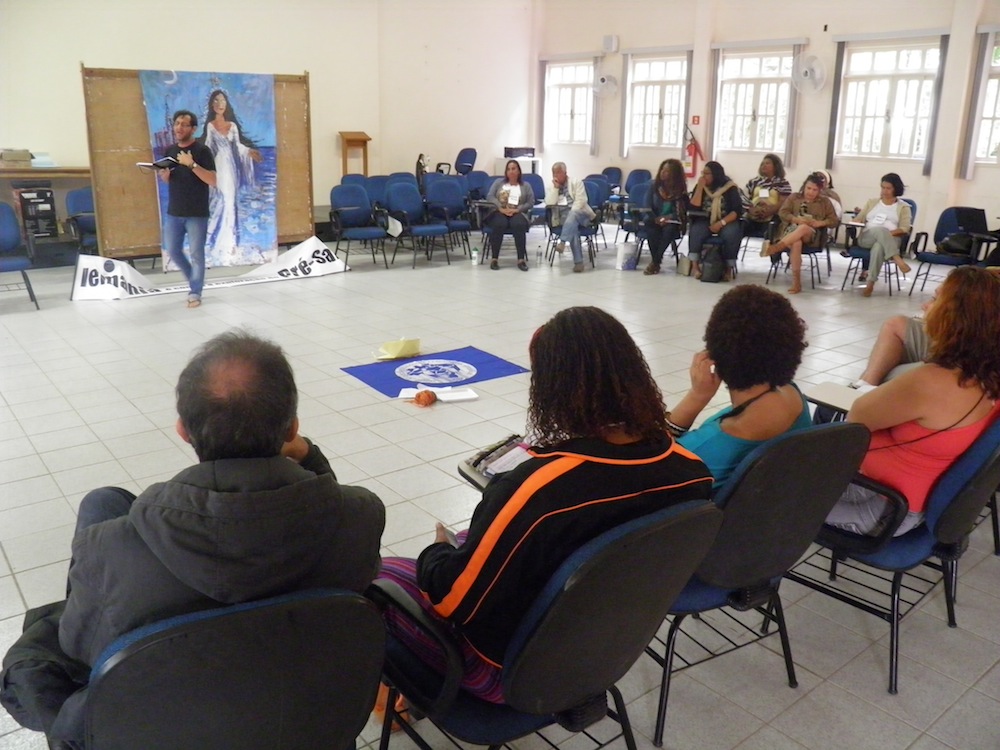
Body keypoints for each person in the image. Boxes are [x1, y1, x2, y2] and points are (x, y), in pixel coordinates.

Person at [0, 330, 386, 748]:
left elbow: (79, 650)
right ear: (291, 428)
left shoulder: (108, 546)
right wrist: (310, 457)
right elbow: (331, 510)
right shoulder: (363, 515)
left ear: (183, 430)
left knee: (100, 513)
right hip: (295, 711)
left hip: (169, 723)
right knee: (105, 502)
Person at [377, 306, 712, 703]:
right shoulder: (693, 474)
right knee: (478, 538)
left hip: (511, 673)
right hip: (607, 652)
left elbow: (452, 601)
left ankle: (391, 694)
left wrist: (436, 553)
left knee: (379, 575)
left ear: (552, 389)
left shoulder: (539, 489)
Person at [826, 267, 1000, 536]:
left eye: (935, 299)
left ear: (956, 316)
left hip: (883, 506)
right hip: (900, 496)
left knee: (768, 495)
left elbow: (857, 419)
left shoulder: (934, 380)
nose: (925, 306)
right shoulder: (986, 373)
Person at [667, 285, 813, 487]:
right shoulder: (793, 396)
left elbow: (646, 459)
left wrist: (697, 396)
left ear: (715, 349)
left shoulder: (708, 445)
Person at [160, 109, 216, 308]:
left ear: (193, 129)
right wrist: (165, 177)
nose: (179, 128)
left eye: (184, 125)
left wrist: (191, 164)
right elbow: (171, 179)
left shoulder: (202, 151)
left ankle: (195, 292)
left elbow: (212, 180)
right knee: (173, 250)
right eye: (176, 124)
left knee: (196, 254)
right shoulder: (169, 151)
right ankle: (194, 280)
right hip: (174, 212)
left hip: (196, 213)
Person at [199, 89, 263, 262]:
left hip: (230, 168)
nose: (219, 104)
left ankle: (229, 243)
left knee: (229, 202)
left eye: (222, 100)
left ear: (226, 104)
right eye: (216, 100)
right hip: (218, 165)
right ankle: (212, 241)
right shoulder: (210, 126)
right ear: (212, 104)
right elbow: (208, 147)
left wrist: (249, 152)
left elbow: (237, 146)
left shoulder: (232, 126)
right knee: (218, 201)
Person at [761, 174, 839, 294]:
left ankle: (776, 248)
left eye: (814, 190)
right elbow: (783, 212)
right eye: (809, 188)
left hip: (812, 235)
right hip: (790, 231)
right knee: (796, 243)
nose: (811, 192)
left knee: (804, 227)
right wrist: (795, 219)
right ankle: (796, 283)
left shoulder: (825, 202)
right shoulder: (794, 197)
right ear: (804, 187)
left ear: (819, 191)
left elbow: (834, 221)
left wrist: (820, 223)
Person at [852, 172, 913, 298]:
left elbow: (905, 228)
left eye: (888, 188)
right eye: (883, 187)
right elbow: (859, 219)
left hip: (891, 239)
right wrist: (856, 219)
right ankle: (897, 259)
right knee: (879, 230)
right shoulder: (872, 202)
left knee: (879, 246)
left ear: (896, 189)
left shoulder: (904, 207)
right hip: (867, 237)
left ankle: (870, 283)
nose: (884, 191)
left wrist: (886, 234)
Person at [687, 161, 743, 280]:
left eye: (707, 173)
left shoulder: (730, 188)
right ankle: (695, 267)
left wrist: (721, 223)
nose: (703, 176)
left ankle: (728, 269)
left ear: (716, 174)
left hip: (726, 219)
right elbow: (693, 208)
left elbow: (736, 211)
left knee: (732, 233)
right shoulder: (701, 186)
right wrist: (700, 188)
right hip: (704, 219)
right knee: (696, 231)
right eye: (702, 173)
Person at [545, 161, 596, 273]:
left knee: (573, 216)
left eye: (558, 173)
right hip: (563, 219)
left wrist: (571, 214)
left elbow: (581, 201)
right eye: (554, 173)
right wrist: (555, 189)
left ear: (565, 173)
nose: (556, 175)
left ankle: (563, 241)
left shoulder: (576, 182)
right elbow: (549, 203)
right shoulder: (551, 186)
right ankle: (579, 263)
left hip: (582, 215)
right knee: (573, 228)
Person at [484, 159, 535, 271]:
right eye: (508, 169)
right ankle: (494, 259)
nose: (511, 171)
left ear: (518, 171)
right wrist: (500, 208)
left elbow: (530, 202)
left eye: (513, 169)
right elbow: (490, 197)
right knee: (499, 223)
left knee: (518, 224)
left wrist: (518, 209)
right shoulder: (498, 183)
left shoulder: (526, 185)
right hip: (500, 212)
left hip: (517, 212)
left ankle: (521, 259)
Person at [643, 158, 689, 276]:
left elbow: (681, 212)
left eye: (667, 171)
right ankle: (656, 262)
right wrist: (656, 218)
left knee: (669, 230)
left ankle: (655, 262)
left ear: (674, 174)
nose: (663, 172)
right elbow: (647, 206)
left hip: (672, 221)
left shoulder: (680, 191)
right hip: (654, 219)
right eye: (662, 169)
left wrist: (668, 217)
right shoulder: (654, 186)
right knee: (651, 229)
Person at [741, 153, 792, 237]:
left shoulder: (782, 183)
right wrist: (751, 209)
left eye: (767, 163)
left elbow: (784, 202)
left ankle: (768, 245)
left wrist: (771, 210)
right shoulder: (753, 182)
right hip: (753, 215)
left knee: (772, 227)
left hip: (772, 216)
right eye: (762, 164)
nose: (764, 166)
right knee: (740, 225)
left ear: (775, 166)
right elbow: (743, 197)